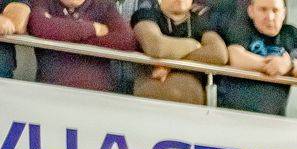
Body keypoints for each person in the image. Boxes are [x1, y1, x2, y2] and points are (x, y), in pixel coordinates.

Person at [215, 0, 297, 117]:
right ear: (251, 11)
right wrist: (274, 65)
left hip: (273, 119)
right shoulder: (241, 28)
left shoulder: (291, 34)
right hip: (231, 113)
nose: (270, 17)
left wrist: (290, 66)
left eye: (275, 10)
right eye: (263, 9)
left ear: (284, 13)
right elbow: (234, 56)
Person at [7, 0, 135, 92]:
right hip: (50, 94)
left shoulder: (104, 6)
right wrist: (93, 28)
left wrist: (63, 33)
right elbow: (39, 26)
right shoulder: (44, 2)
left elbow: (126, 39)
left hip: (100, 98)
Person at [130, 0, 226, 105]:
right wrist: (193, 45)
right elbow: (157, 46)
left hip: (192, 104)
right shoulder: (146, 15)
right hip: (147, 97)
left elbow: (220, 54)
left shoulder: (200, 23)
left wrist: (169, 65)